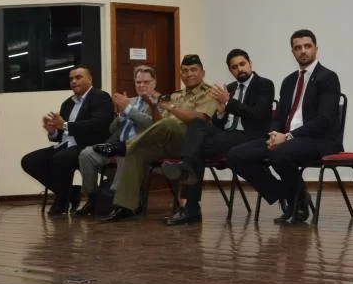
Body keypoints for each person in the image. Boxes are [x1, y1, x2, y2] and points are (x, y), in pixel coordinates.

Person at [227, 30, 341, 225]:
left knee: (279, 154)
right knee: (235, 155)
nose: (303, 51)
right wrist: (274, 133)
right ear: (293, 52)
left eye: (307, 46)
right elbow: (279, 116)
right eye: (298, 48)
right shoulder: (289, 81)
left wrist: (287, 136)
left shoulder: (327, 78)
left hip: (319, 140)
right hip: (287, 139)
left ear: (316, 49)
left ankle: (297, 202)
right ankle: (287, 194)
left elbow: (324, 120)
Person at [159, 49, 275, 225]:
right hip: (227, 134)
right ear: (230, 70)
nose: (239, 69)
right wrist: (221, 113)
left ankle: (191, 206)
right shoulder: (229, 88)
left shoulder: (264, 84)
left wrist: (228, 103)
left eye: (242, 64)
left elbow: (258, 115)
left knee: (196, 148)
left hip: (250, 136)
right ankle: (187, 166)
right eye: (234, 67)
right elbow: (218, 123)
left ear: (250, 63)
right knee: (197, 123)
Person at [100, 54, 218, 222]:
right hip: (168, 141)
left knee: (168, 125)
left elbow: (198, 118)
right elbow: (159, 124)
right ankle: (124, 207)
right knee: (136, 152)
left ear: (203, 72)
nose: (189, 74)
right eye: (184, 71)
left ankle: (123, 146)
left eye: (193, 70)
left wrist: (170, 108)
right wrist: (154, 106)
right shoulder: (176, 95)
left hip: (192, 144)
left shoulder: (210, 93)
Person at [21, 66, 114, 215]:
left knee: (61, 158)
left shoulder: (100, 97)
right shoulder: (67, 103)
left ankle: (62, 200)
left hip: (88, 144)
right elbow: (62, 134)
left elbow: (98, 125)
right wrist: (52, 132)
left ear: (90, 79)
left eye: (78, 77)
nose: (74, 81)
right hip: (66, 145)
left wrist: (63, 124)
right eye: (71, 79)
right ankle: (69, 193)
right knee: (29, 161)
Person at [74, 65, 157, 216]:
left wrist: (129, 110)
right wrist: (121, 115)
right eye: (138, 82)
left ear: (154, 82)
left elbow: (152, 124)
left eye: (146, 82)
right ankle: (93, 199)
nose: (142, 85)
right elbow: (112, 129)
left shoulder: (159, 102)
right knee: (86, 154)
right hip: (116, 144)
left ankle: (120, 203)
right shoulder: (129, 100)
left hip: (139, 148)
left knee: (124, 155)